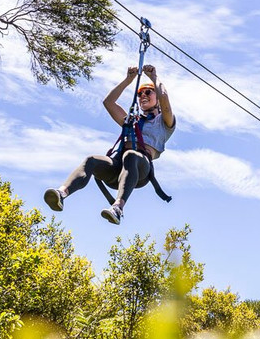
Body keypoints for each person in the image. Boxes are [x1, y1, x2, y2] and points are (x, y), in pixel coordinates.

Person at [43, 63, 175, 225]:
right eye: (140, 94)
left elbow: (166, 101)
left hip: (140, 172)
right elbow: (109, 103)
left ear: (157, 98)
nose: (143, 96)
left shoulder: (164, 123)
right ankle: (61, 194)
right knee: (91, 160)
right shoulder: (132, 121)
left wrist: (154, 78)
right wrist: (128, 80)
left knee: (131, 155)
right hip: (117, 171)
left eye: (148, 92)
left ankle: (118, 208)